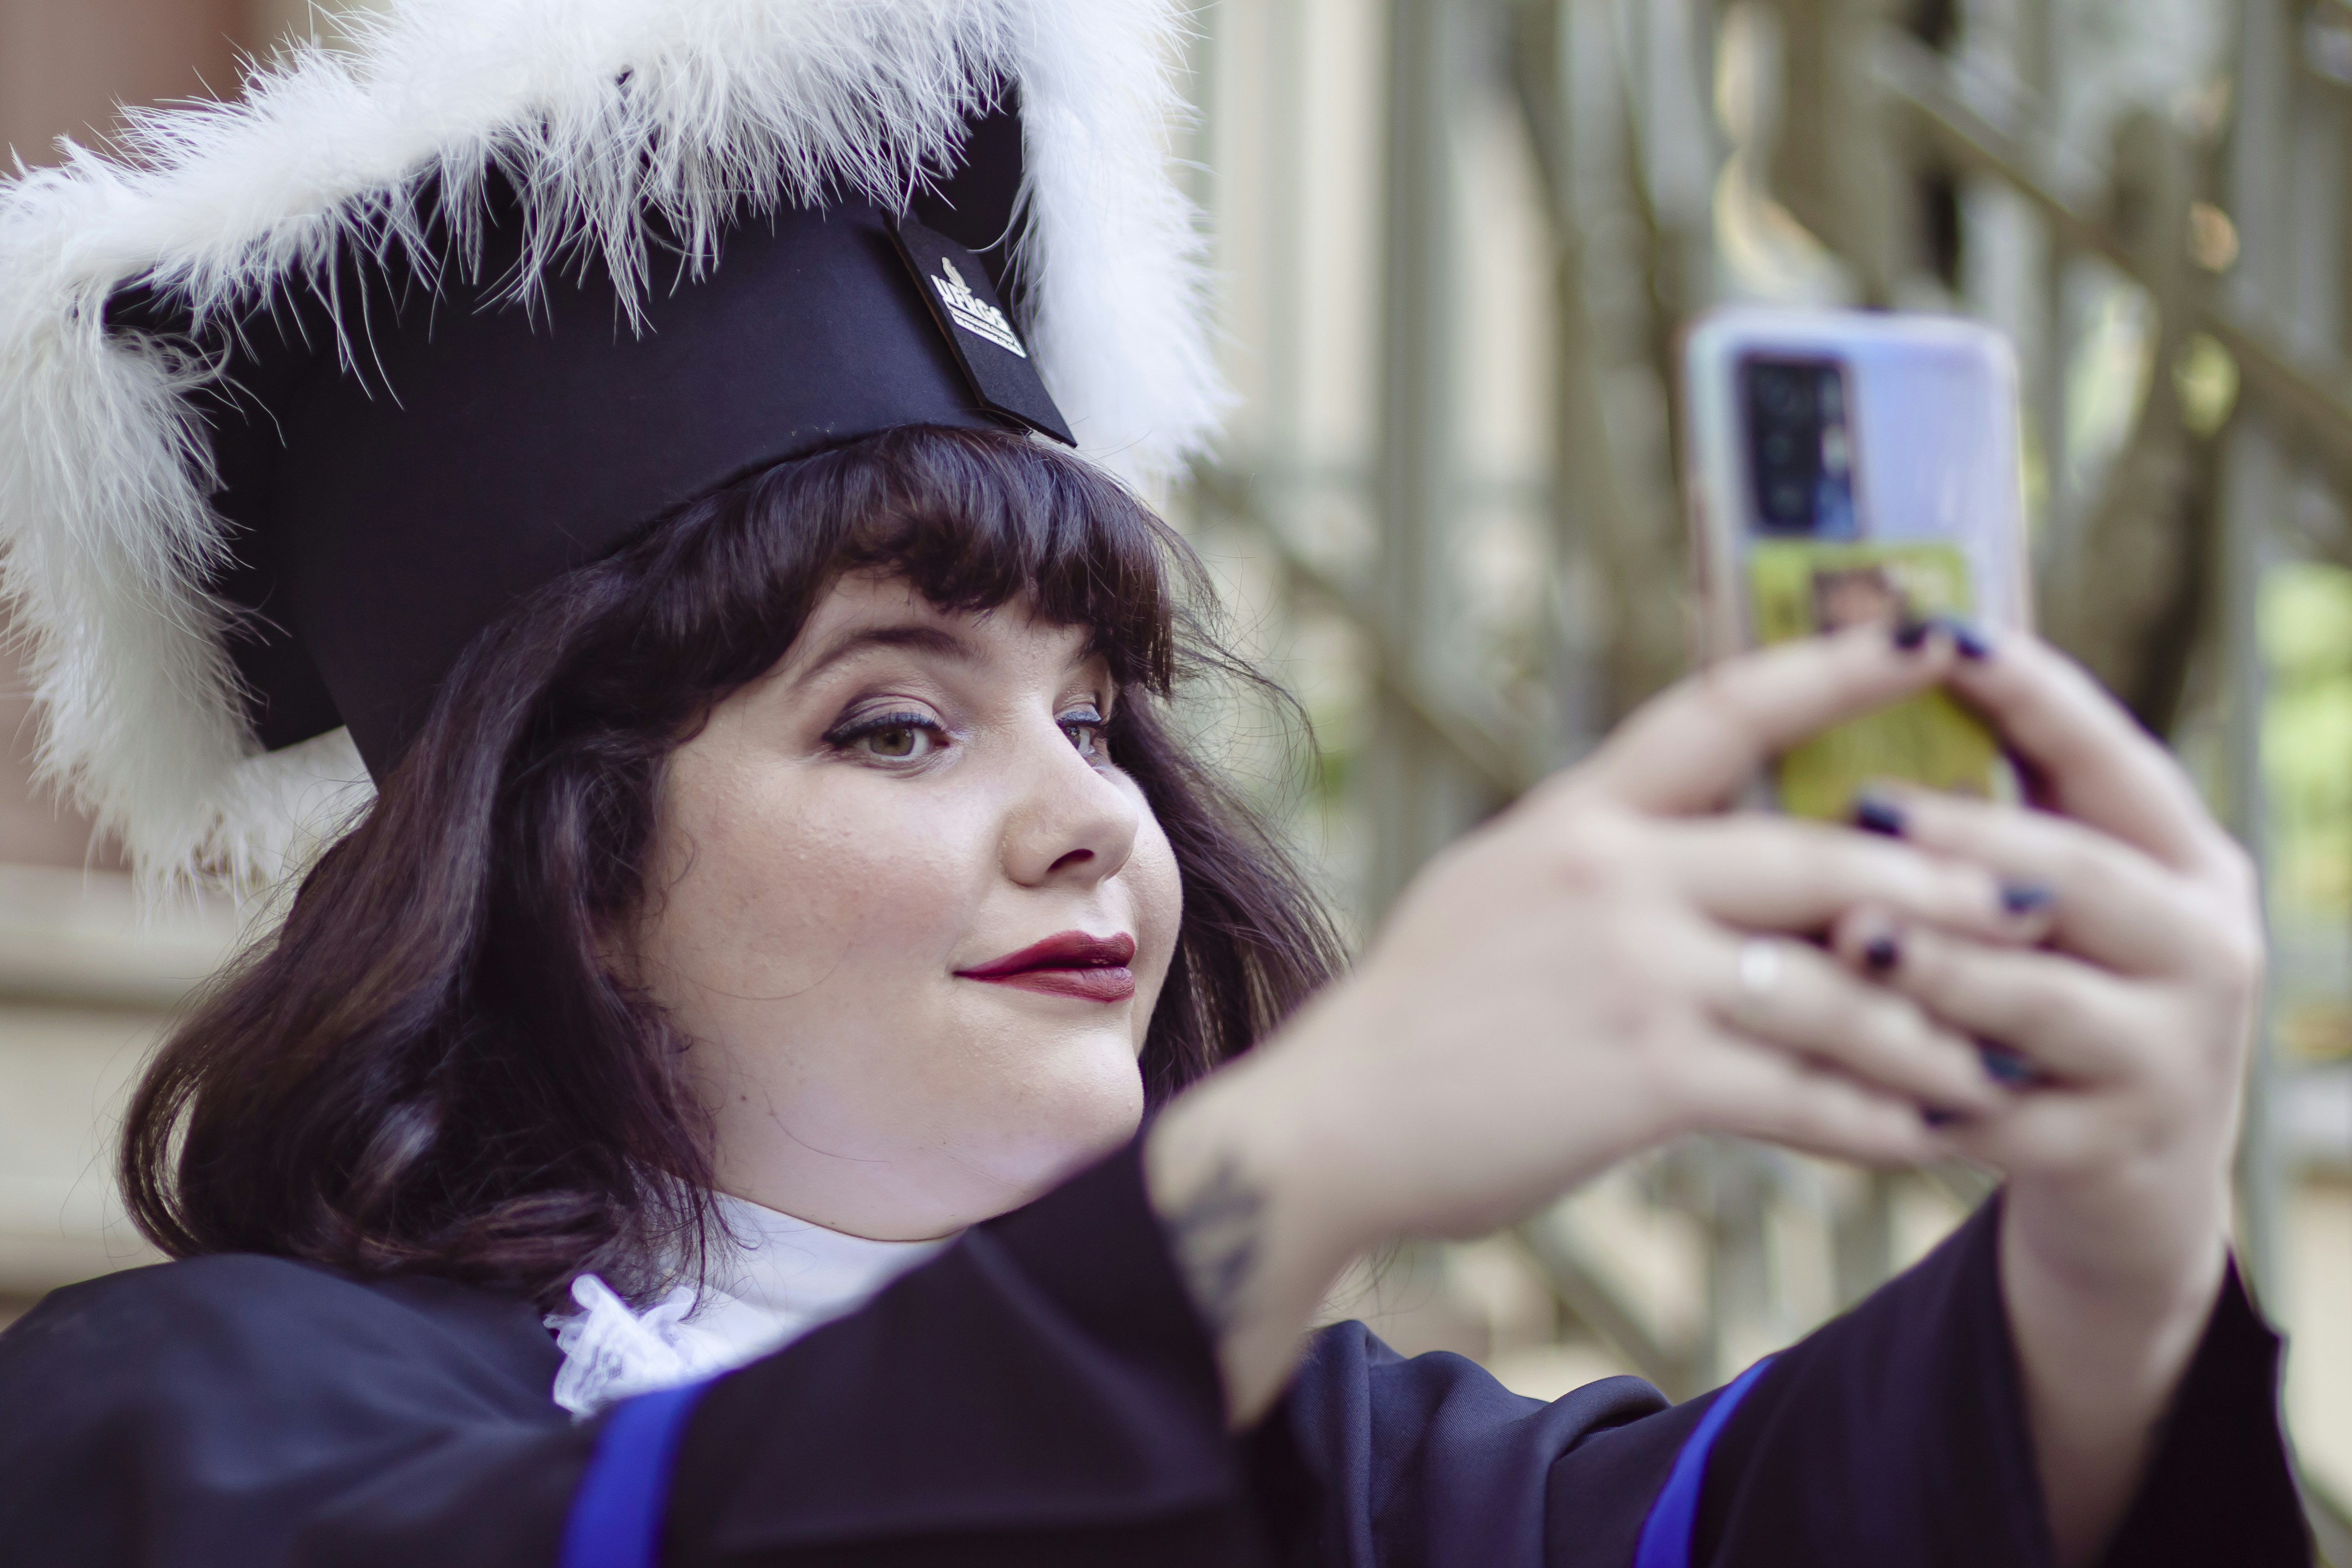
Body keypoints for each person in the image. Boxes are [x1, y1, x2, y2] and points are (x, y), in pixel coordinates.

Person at [0, 2, 2307, 1565]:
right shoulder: (177, 1424)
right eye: (898, 720)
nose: (1092, 815)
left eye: (1098, 713)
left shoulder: (1335, 1462)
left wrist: (2120, 1218)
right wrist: (1299, 1161)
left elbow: (1833, 1512)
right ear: (564, 867)